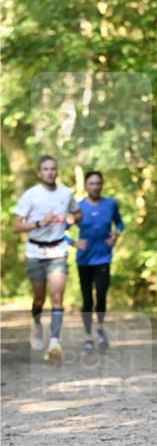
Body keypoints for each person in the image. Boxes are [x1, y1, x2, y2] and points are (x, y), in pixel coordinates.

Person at [13, 155, 81, 362]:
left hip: (58, 250)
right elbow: (16, 227)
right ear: (39, 172)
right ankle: (36, 322)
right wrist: (40, 223)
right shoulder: (30, 195)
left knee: (57, 297)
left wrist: (72, 218)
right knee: (39, 297)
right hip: (35, 252)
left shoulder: (65, 193)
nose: (50, 172)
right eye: (46, 169)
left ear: (56, 171)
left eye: (53, 169)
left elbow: (78, 214)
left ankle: (54, 342)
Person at [67, 169, 124, 351]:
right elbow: (60, 229)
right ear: (86, 185)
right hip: (84, 260)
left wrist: (115, 234)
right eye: (91, 183)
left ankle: (99, 329)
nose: (95, 187)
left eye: (98, 183)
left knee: (101, 296)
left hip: (103, 257)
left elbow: (120, 223)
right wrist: (74, 243)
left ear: (102, 185)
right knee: (86, 300)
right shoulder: (78, 208)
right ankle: (88, 337)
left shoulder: (110, 204)